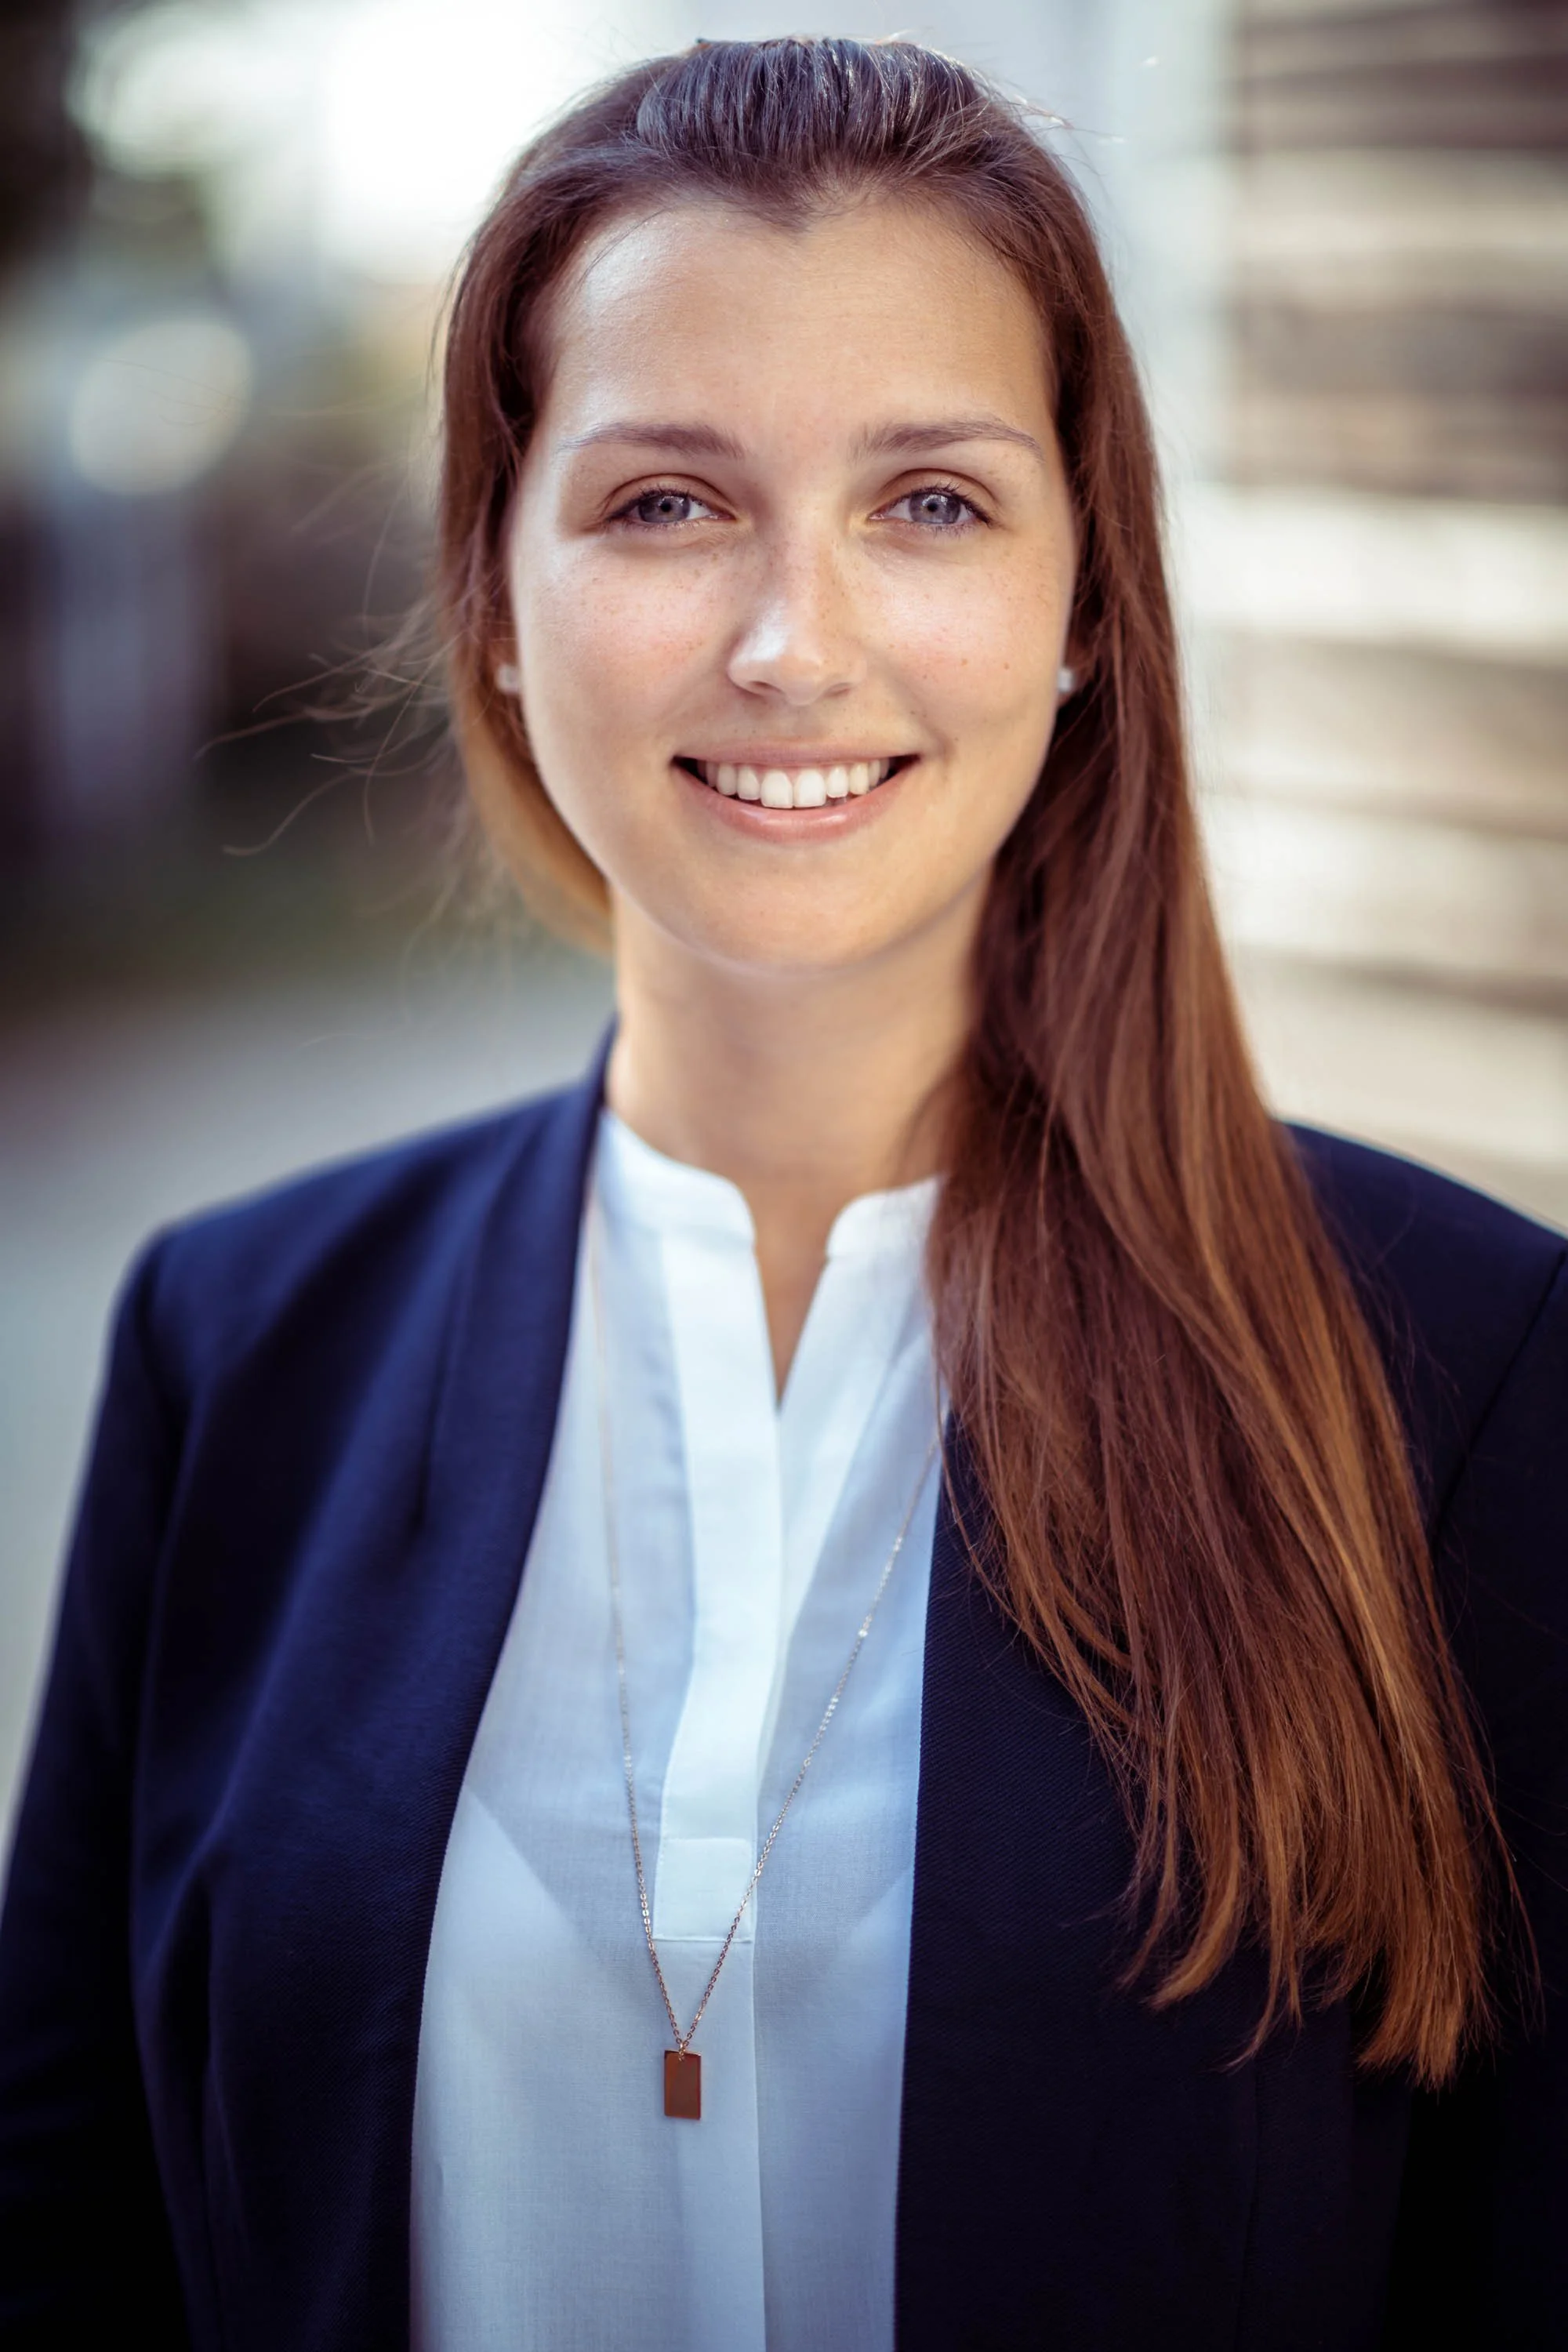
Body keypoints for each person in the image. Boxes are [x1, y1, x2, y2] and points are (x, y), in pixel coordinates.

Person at [1, 34, 1563, 2352]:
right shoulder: (235, 1345)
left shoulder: (1469, 1372)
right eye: (663, 503)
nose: (790, 640)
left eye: (929, 502)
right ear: (500, 600)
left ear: (1082, 607)